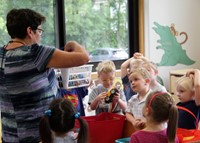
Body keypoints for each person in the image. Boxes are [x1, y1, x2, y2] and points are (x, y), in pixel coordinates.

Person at [0, 8, 89, 143]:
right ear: (30, 31)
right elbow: (83, 58)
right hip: (40, 137)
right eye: (39, 31)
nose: (40, 36)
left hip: (9, 136)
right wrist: (73, 44)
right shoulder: (35, 53)